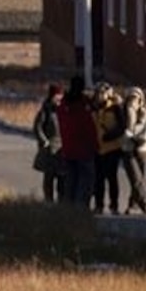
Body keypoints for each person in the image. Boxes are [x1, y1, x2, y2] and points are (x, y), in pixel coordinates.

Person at [57, 75, 101, 213]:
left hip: (68, 148)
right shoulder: (81, 106)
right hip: (84, 150)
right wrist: (95, 146)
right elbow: (89, 128)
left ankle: (68, 209)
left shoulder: (64, 105)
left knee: (70, 180)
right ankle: (80, 209)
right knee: (85, 181)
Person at [112, 86, 146, 214]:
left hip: (142, 149)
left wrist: (134, 136)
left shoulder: (144, 114)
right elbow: (122, 131)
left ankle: (133, 204)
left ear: (141, 101)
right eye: (130, 99)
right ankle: (145, 204)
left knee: (140, 178)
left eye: (136, 99)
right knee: (135, 178)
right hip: (128, 150)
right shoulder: (122, 114)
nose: (133, 102)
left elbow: (145, 130)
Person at [33, 85, 65, 203]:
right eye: (57, 96)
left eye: (61, 96)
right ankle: (49, 201)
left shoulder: (65, 109)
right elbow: (37, 127)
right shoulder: (45, 110)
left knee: (63, 178)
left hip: (63, 148)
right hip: (49, 148)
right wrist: (44, 141)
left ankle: (62, 202)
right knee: (49, 177)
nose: (59, 99)